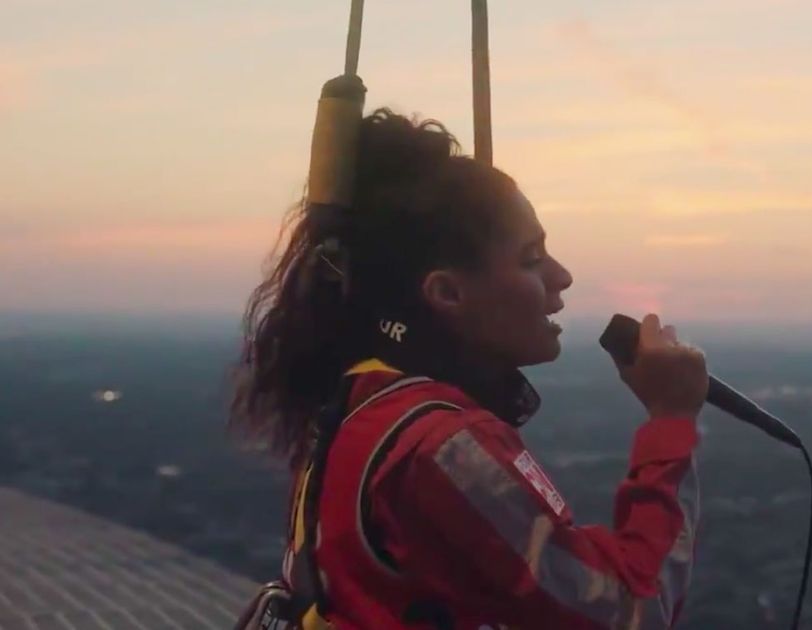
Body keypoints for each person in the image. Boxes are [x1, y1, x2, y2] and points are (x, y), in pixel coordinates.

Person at [230, 108, 709, 630]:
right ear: (448, 293)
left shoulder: (360, 406)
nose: (562, 276)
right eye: (531, 259)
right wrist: (670, 422)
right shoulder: (443, 446)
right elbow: (633, 610)